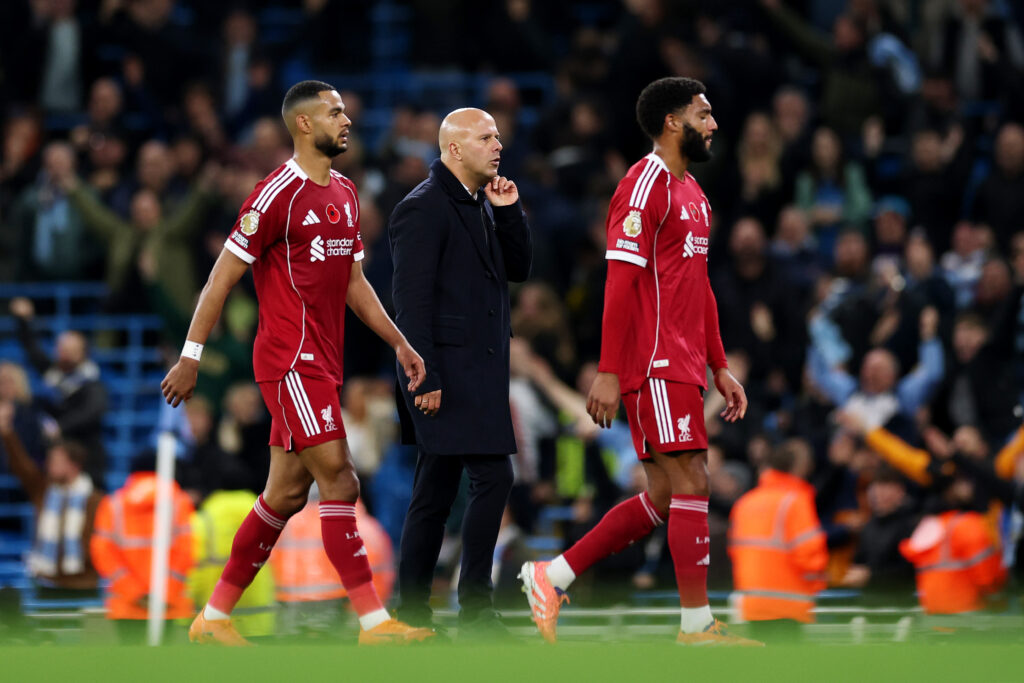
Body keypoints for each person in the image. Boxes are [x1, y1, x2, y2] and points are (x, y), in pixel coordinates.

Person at [161, 80, 433, 646]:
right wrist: (192, 356)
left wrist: (400, 343)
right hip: (289, 360)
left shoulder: (346, 194)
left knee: (284, 495)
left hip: (321, 365)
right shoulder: (273, 195)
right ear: (304, 125)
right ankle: (373, 624)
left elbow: (355, 283)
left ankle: (213, 618)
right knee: (340, 478)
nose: (347, 120)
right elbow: (219, 278)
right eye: (335, 112)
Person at [519, 77, 760, 646]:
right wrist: (607, 369)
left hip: (681, 362)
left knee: (661, 498)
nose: (714, 124)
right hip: (650, 362)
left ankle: (550, 577)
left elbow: (699, 289)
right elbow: (620, 283)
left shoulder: (694, 195)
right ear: (673, 121)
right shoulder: (641, 185)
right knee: (693, 480)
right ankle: (697, 626)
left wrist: (719, 365)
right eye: (704, 114)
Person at [388, 107, 532, 636]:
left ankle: (411, 614)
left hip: (480, 372)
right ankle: (474, 609)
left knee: (435, 490)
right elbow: (411, 304)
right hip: (444, 374)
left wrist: (510, 211)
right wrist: (424, 378)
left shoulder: (481, 202)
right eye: (485, 137)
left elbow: (518, 270)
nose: (498, 144)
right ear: (453, 149)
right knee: (495, 476)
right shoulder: (421, 208)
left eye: (498, 135)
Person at [90, 453, 195, 644]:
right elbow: (187, 552)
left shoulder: (113, 504)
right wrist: (165, 594)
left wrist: (134, 593)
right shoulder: (180, 503)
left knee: (132, 670)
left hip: (127, 606)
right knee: (162, 669)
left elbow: (102, 553)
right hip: (167, 607)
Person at [728, 439, 828, 638]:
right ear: (800, 466)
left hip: (752, 603)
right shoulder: (795, 501)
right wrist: (818, 584)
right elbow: (809, 555)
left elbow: (735, 552)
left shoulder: (745, 503)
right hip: (788, 603)